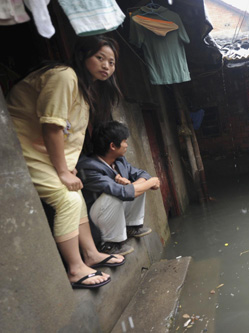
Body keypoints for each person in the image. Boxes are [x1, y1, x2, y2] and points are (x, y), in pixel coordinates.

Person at [7, 36, 125, 289]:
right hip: (19, 148)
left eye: (112, 62)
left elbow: (67, 134)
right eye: (100, 58)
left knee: (76, 193)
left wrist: (67, 166)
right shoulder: (64, 76)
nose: (106, 66)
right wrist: (62, 170)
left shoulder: (83, 88)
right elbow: (52, 126)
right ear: (83, 57)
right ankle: (75, 268)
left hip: (41, 152)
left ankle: (91, 254)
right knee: (67, 199)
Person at [77, 121, 160, 256]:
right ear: (113, 146)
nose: (127, 145)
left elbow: (141, 174)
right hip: (94, 220)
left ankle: (131, 227)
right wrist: (150, 183)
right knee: (118, 194)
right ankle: (109, 244)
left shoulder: (119, 161)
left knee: (138, 187)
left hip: (112, 212)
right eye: (124, 141)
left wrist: (133, 185)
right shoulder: (88, 167)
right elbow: (120, 192)